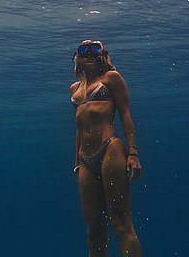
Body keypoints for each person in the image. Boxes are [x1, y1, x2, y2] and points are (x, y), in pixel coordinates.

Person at [70, 39, 143, 256]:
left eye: (96, 48)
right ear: (78, 56)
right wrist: (76, 164)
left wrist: (133, 153)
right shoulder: (74, 89)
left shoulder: (111, 78)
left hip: (111, 149)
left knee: (121, 224)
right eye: (84, 49)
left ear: (104, 54)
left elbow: (125, 114)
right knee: (94, 232)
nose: (90, 52)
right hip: (85, 160)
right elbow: (79, 128)